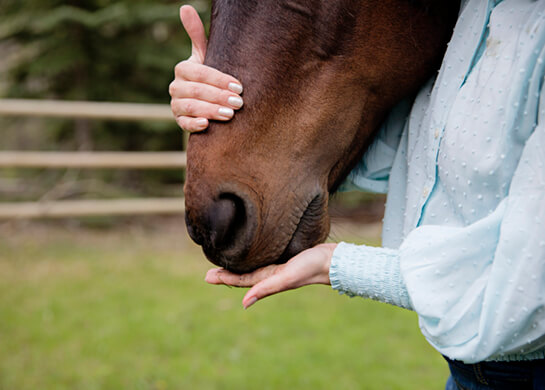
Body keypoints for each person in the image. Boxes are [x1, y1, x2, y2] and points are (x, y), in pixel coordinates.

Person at [169, 2, 545, 388]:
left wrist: (339, 266)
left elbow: (529, 288)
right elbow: (418, 155)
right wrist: (223, 104)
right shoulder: (474, 11)